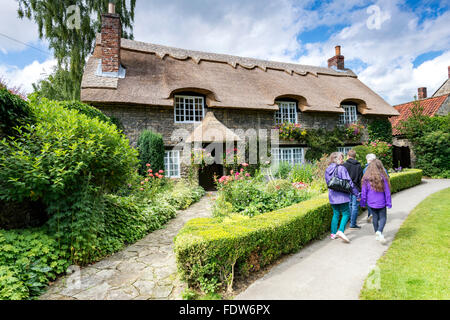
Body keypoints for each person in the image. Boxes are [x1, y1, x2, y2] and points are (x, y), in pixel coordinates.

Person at [325, 152, 360, 243]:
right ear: (336, 159)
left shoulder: (328, 169)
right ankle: (340, 230)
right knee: (346, 213)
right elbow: (350, 183)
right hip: (342, 196)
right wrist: (357, 194)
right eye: (341, 158)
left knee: (335, 214)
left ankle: (333, 234)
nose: (343, 160)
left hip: (332, 196)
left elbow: (328, 183)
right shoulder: (341, 168)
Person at [360, 159, 392, 244]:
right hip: (381, 201)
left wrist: (363, 202)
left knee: (375, 217)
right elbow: (387, 191)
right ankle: (379, 231)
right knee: (383, 217)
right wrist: (388, 202)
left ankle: (377, 233)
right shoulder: (383, 177)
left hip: (371, 202)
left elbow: (364, 191)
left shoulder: (366, 178)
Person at [363, 154, 389, 222]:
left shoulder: (366, 169)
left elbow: (364, 181)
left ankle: (371, 214)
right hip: (381, 190)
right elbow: (387, 178)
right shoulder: (382, 169)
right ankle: (378, 217)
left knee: (370, 202)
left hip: (370, 190)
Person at [343, 150, 364, 229]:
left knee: (349, 205)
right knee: (354, 206)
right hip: (356, 188)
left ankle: (350, 221)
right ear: (355, 157)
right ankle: (353, 223)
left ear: (348, 156)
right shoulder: (358, 166)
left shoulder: (344, 165)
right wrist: (361, 191)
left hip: (347, 188)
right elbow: (361, 179)